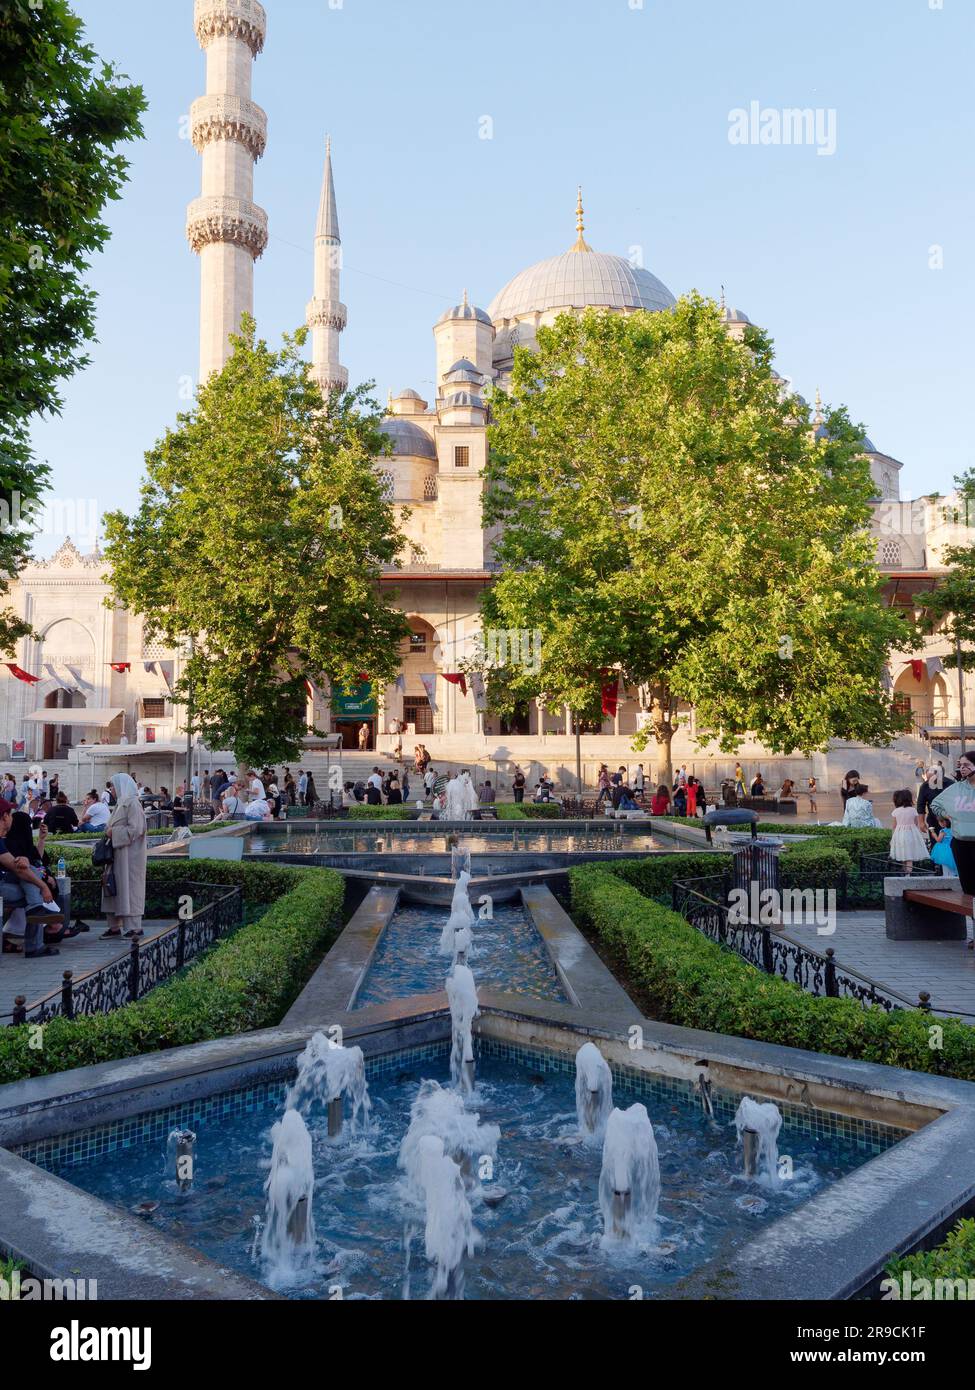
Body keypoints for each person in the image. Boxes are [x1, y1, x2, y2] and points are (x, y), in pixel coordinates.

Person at [100, 774, 148, 940]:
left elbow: (136, 829)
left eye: (113, 786)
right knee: (113, 887)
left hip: (129, 857)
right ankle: (114, 926)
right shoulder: (121, 803)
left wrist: (114, 833)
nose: (111, 789)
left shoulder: (133, 803)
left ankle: (134, 927)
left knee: (130, 889)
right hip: (117, 854)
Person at [889, 788, 930, 875]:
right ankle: (908, 875)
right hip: (911, 834)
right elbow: (915, 823)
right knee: (909, 856)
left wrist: (893, 838)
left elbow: (894, 826)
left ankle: (905, 874)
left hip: (899, 835)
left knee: (903, 855)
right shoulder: (913, 810)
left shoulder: (896, 811)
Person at [918, 766, 954, 837]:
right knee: (935, 844)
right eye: (928, 779)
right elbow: (921, 805)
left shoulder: (951, 784)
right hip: (933, 820)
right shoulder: (925, 786)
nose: (929, 782)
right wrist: (921, 822)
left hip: (950, 820)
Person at [930, 815, 959, 881]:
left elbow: (938, 840)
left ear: (943, 822)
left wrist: (934, 834)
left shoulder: (943, 831)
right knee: (952, 865)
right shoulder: (953, 829)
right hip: (952, 848)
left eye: (940, 822)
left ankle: (946, 878)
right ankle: (953, 877)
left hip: (944, 850)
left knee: (945, 865)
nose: (939, 823)